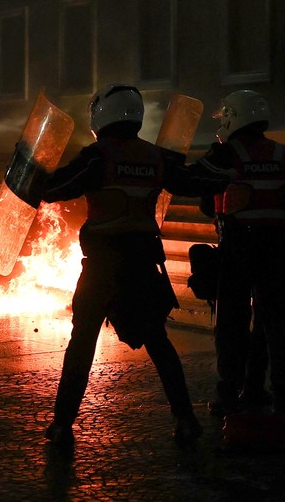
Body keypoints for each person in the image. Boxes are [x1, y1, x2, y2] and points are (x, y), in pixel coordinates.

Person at [42, 85, 210, 448]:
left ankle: (62, 427)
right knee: (159, 344)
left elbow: (57, 188)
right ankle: (186, 419)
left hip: (103, 266)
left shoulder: (97, 156)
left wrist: (31, 168)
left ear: (101, 116)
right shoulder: (156, 157)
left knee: (83, 342)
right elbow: (193, 182)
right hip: (143, 265)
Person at [189, 90, 285, 416]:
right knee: (273, 322)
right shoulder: (284, 153)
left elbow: (200, 189)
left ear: (233, 117)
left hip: (238, 245)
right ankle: (279, 395)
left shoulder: (225, 154)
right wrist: (283, 218)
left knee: (231, 320)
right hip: (275, 245)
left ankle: (229, 395)